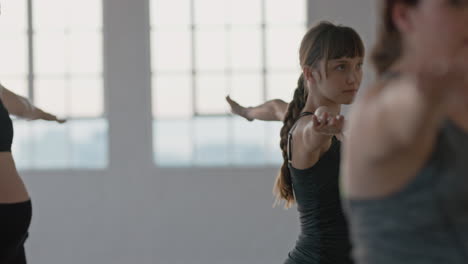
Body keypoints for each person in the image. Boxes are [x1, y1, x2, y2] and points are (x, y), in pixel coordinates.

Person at [342, 0, 468, 263]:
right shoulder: (377, 110)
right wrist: (423, 96)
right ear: (403, 16)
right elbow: (401, 109)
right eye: (456, 4)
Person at [272, 21, 364, 264]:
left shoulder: (332, 127)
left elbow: (274, 108)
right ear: (310, 73)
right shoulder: (307, 128)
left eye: (358, 65)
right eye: (341, 67)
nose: (354, 77)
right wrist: (319, 125)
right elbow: (309, 134)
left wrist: (247, 112)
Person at [0, 83, 65, 264]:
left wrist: (45, 115)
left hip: (11, 216)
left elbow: (25, 107)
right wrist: (46, 115)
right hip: (13, 213)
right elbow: (25, 108)